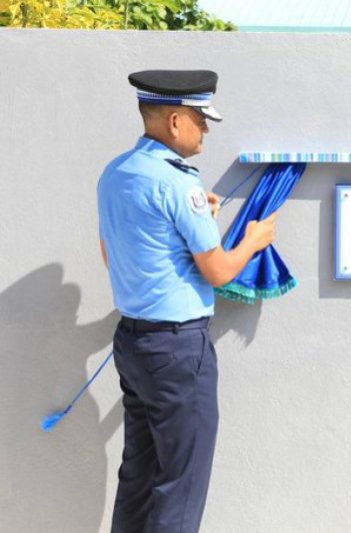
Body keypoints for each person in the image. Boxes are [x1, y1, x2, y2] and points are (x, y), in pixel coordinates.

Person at [97, 69, 277, 533]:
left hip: (132, 342)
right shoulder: (179, 183)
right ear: (175, 121)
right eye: (201, 120)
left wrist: (197, 220)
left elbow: (112, 252)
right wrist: (254, 241)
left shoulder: (116, 172)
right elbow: (217, 271)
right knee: (181, 486)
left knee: (138, 478)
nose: (206, 131)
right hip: (177, 349)